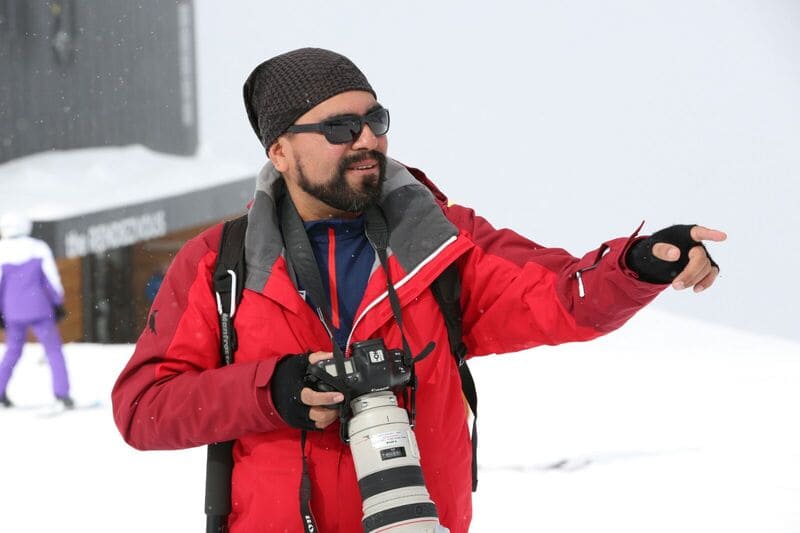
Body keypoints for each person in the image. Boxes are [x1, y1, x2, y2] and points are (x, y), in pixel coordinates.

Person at [111, 48, 726, 533]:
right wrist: (269, 390)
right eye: (339, 126)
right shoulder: (221, 263)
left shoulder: (441, 241)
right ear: (279, 149)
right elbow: (143, 408)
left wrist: (638, 264)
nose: (367, 139)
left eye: (375, 120)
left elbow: (563, 296)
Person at [0, 212, 73, 409]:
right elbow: (51, 278)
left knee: (12, 352)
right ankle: (62, 393)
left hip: (12, 310)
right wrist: (58, 302)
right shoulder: (38, 248)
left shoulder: (2, 250)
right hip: (39, 308)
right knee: (53, 351)